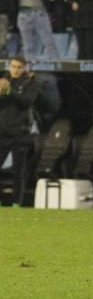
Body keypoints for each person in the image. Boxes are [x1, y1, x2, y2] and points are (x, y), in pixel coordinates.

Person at [0, 56, 38, 206]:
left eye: (19, 67)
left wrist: (8, 91)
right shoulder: (3, 81)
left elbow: (26, 102)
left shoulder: (30, 83)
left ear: (24, 68)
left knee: (18, 171)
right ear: (9, 66)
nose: (15, 70)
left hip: (20, 133)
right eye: (13, 66)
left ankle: (17, 203)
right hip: (2, 132)